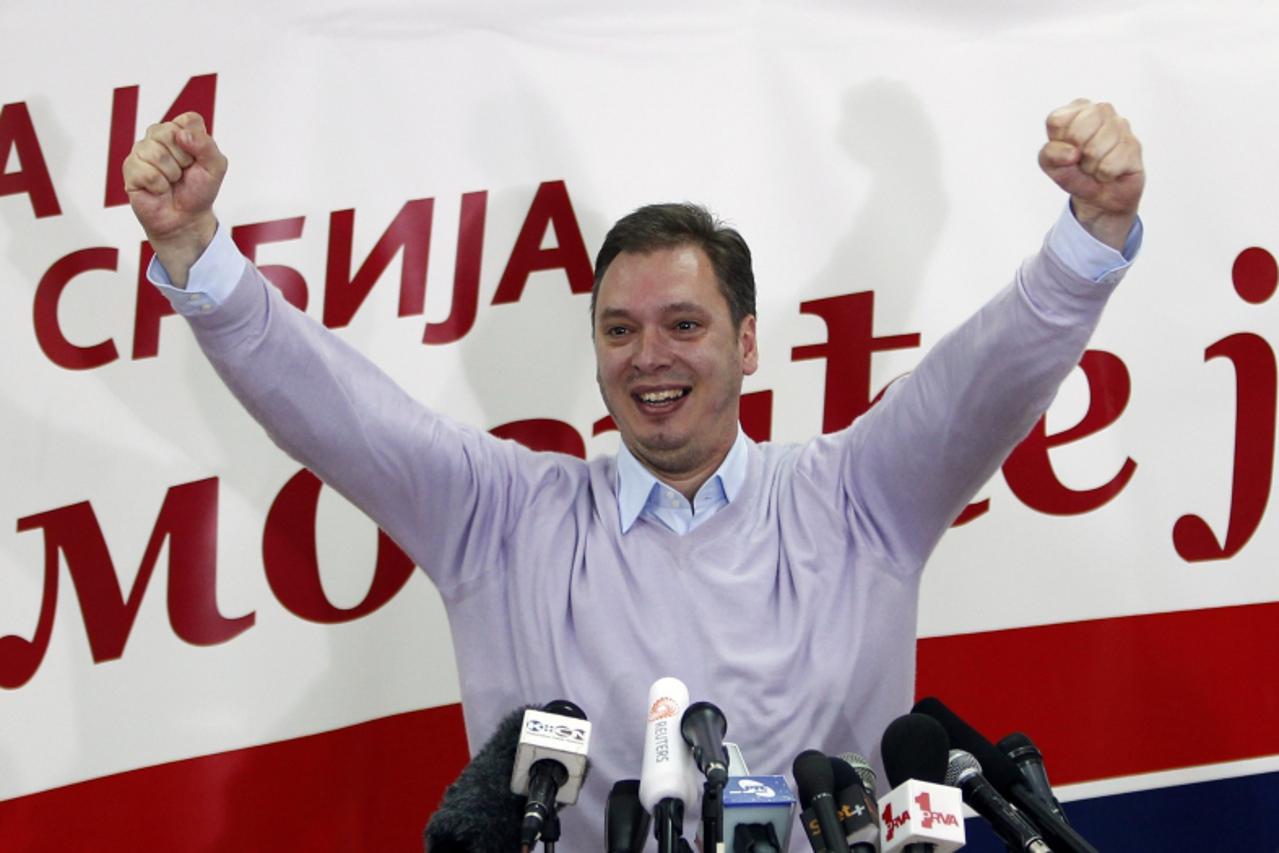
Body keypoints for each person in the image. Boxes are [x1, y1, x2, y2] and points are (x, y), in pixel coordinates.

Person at [123, 98, 1143, 851]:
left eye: (682, 325)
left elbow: (988, 372)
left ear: (747, 345)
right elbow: (331, 403)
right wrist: (193, 251)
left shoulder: (859, 496)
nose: (647, 356)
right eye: (619, 329)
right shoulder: (499, 516)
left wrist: (1087, 237)